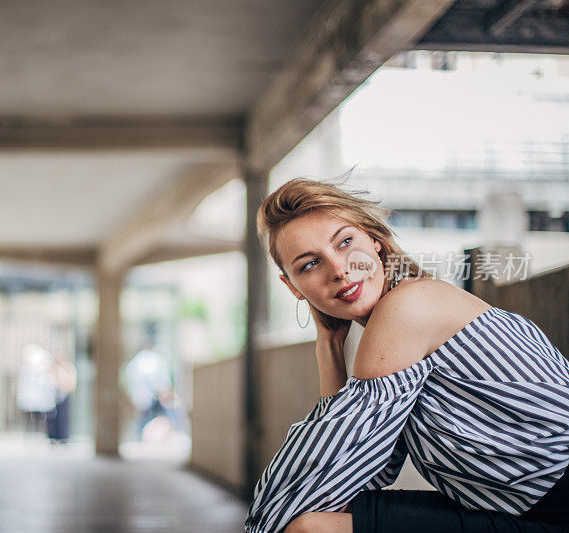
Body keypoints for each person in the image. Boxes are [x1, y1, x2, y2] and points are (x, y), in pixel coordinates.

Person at [244, 178, 569, 533]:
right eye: (309, 264)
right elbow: (367, 471)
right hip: (518, 509)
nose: (338, 269)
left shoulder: (409, 306)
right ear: (292, 287)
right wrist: (329, 347)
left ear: (376, 241)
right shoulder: (401, 325)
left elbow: (308, 483)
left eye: (346, 242)